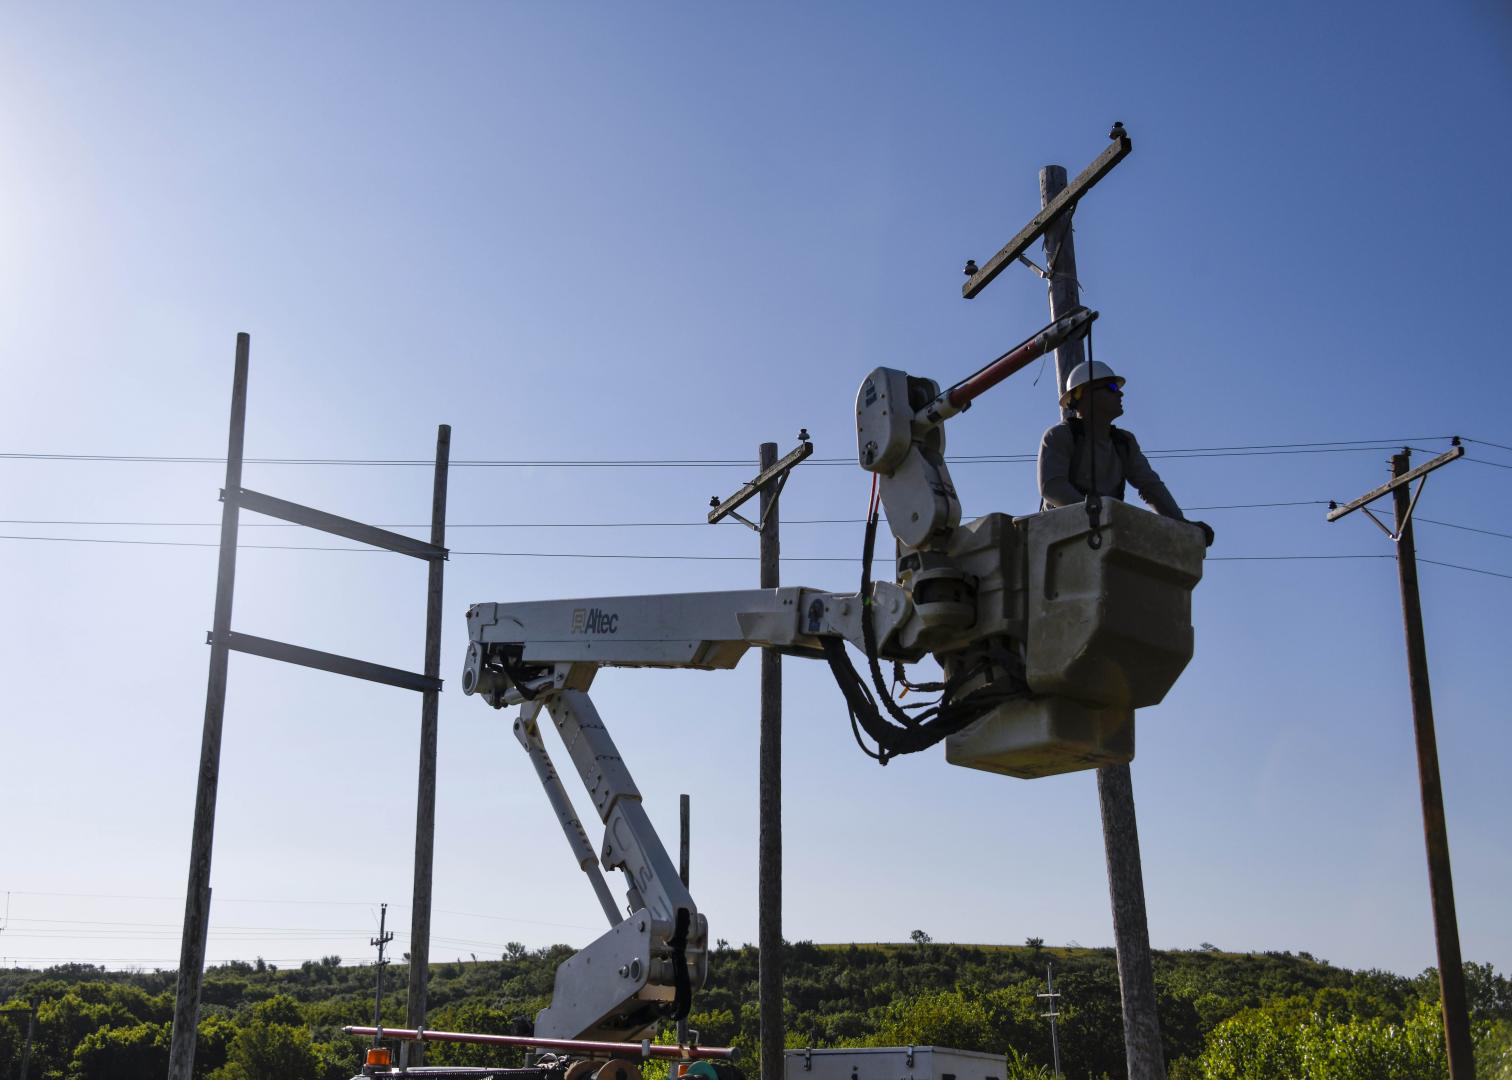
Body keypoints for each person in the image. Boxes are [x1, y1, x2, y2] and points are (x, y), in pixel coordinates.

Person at [1037, 359, 1214, 546]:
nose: (1120, 393)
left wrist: (1181, 523)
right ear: (1087, 394)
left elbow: (1150, 486)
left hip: (1100, 537)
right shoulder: (1060, 436)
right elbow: (1052, 488)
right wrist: (1100, 515)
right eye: (1112, 387)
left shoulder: (1123, 443)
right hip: (1058, 538)